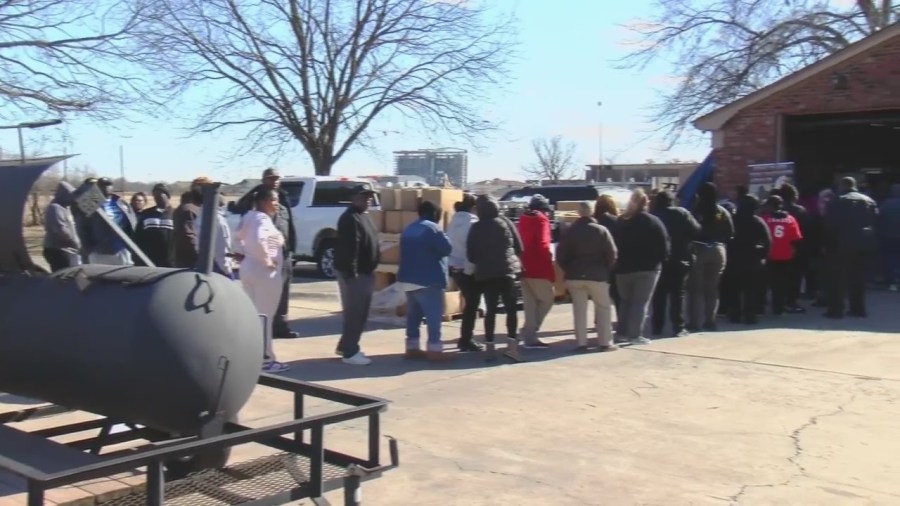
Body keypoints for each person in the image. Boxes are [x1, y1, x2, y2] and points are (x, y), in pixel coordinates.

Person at [234, 168, 298, 339]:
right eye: (271, 178)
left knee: (283, 292)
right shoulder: (254, 205)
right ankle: (262, 333)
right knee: (264, 299)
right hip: (263, 261)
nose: (275, 181)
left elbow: (289, 227)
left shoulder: (282, 202)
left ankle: (280, 326)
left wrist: (292, 250)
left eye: (277, 178)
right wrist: (262, 258)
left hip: (283, 254)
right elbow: (246, 230)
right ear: (263, 180)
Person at [236, 188, 289, 373]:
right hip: (264, 272)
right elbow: (259, 239)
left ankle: (253, 356)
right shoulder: (262, 219)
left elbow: (237, 238)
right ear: (266, 201)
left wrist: (243, 254)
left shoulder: (248, 217)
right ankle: (265, 359)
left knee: (255, 316)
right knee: (265, 317)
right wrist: (266, 258)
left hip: (249, 268)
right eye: (275, 200)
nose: (277, 204)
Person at [467, 195, 524, 362]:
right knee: (511, 309)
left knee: (491, 310)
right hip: (507, 271)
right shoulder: (506, 222)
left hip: (486, 273)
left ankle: (490, 349)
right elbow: (519, 247)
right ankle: (512, 347)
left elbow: (471, 254)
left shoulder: (476, 227)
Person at [556, 201, 618, 352]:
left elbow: (560, 254)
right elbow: (612, 253)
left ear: (579, 213)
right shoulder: (601, 230)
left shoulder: (570, 231)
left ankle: (581, 343)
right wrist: (606, 269)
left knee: (579, 310)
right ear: (591, 212)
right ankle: (605, 342)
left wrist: (568, 268)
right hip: (598, 275)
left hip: (575, 275)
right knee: (603, 307)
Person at [397, 201, 453, 361]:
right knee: (433, 315)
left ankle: (412, 347)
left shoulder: (409, 229)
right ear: (436, 214)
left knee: (413, 315)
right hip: (428, 279)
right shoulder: (433, 228)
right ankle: (435, 350)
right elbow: (447, 248)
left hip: (408, 278)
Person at [613, 189, 670, 345]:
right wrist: (659, 260)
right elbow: (665, 247)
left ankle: (621, 333)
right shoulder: (654, 222)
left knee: (625, 302)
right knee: (640, 303)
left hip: (622, 269)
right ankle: (635, 335)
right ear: (647, 203)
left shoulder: (620, 222)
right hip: (647, 268)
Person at [334, 184, 380, 366]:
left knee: (361, 312)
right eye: (363, 196)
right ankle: (350, 352)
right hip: (354, 273)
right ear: (353, 198)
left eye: (369, 197)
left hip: (366, 271)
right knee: (355, 313)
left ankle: (345, 344)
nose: (367, 200)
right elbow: (349, 248)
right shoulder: (350, 218)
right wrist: (350, 274)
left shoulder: (364, 216)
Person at [823, 177, 879, 318]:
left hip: (841, 245)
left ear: (842, 186)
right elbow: (876, 222)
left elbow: (829, 225)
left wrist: (827, 245)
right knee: (858, 278)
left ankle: (836, 310)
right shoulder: (869, 201)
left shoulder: (837, 200)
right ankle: (858, 309)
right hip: (864, 246)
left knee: (837, 279)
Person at [650, 190, 700, 337]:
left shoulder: (654, 215)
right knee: (678, 294)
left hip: (659, 260)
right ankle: (678, 327)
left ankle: (657, 327)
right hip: (680, 258)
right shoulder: (682, 213)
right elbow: (697, 230)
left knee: (658, 296)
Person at [688, 182, 734, 331]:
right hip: (719, 250)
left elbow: (691, 229)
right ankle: (710, 321)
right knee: (712, 289)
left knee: (695, 289)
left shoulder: (696, 210)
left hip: (699, 249)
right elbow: (730, 232)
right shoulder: (721, 211)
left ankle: (694, 322)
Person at [516, 194, 555, 349]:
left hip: (523, 266)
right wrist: (549, 263)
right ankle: (529, 333)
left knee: (530, 304)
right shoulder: (542, 220)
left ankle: (528, 336)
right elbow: (544, 245)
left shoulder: (522, 220)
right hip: (539, 268)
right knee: (547, 299)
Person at [446, 193, 484, 352]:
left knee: (469, 302)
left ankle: (466, 338)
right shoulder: (473, 224)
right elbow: (473, 250)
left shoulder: (453, 222)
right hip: (467, 268)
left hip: (453, 266)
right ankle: (466, 339)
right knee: (472, 305)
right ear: (474, 207)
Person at [727, 195, 772, 324]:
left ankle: (734, 315)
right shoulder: (757, 221)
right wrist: (763, 256)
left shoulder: (733, 220)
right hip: (753, 260)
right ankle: (750, 316)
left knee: (734, 289)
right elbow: (767, 241)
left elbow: (726, 237)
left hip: (734, 259)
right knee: (751, 290)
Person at [761, 195, 803, 315]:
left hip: (769, 256)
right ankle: (778, 307)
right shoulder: (790, 219)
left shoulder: (765, 219)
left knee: (767, 282)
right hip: (786, 256)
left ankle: (762, 306)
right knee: (782, 283)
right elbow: (796, 239)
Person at [84, 177, 137, 266]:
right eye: (102, 185)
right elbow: (81, 225)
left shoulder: (120, 202)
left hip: (121, 249)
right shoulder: (90, 201)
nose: (106, 188)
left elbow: (131, 222)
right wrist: (88, 248)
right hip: (98, 251)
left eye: (109, 185)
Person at [778, 184, 811, 309]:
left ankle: (779, 301)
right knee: (795, 276)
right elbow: (807, 230)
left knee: (779, 276)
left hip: (778, 248)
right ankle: (791, 301)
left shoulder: (774, 211)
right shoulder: (800, 211)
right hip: (797, 248)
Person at [42, 181, 82, 271]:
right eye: (71, 195)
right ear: (64, 195)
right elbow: (61, 229)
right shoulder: (55, 208)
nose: (73, 199)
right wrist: (75, 242)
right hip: (56, 249)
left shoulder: (66, 207)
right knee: (62, 277)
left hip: (66, 249)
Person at [134, 183, 175, 267]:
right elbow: (137, 237)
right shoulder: (146, 214)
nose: (157, 197)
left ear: (167, 196)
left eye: (160, 194)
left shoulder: (175, 214)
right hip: (148, 260)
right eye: (155, 194)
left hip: (169, 262)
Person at [196, 192, 234, 278]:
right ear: (221, 205)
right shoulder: (219, 220)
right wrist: (227, 270)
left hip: (202, 262)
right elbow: (222, 248)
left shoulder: (200, 217)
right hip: (217, 266)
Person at [593, 194, 621, 309]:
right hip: (615, 264)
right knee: (617, 295)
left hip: (596, 264)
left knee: (599, 297)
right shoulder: (618, 222)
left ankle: (599, 320)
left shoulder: (593, 222)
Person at [172, 178, 206, 268]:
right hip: (190, 261)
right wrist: (202, 253)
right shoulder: (188, 209)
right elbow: (188, 236)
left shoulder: (198, 208)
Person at [877, 184, 900, 292]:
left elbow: (878, 217)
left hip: (889, 236)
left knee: (889, 259)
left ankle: (891, 282)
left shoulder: (886, 204)